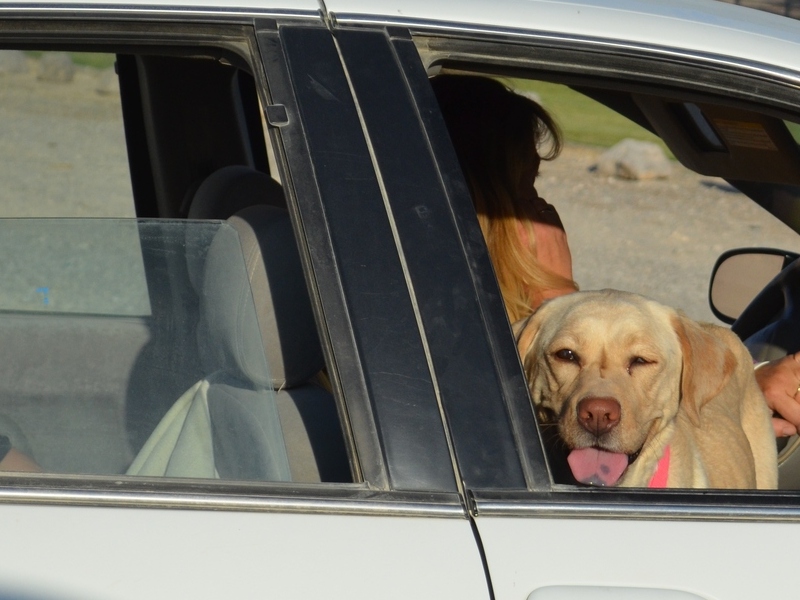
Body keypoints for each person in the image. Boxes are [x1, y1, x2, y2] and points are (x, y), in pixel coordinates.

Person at [431, 73, 800, 438]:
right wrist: (554, 297)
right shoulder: (459, 333)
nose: (544, 209)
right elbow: (569, 421)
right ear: (482, 209)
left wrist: (747, 382)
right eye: (526, 190)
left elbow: (617, 371)